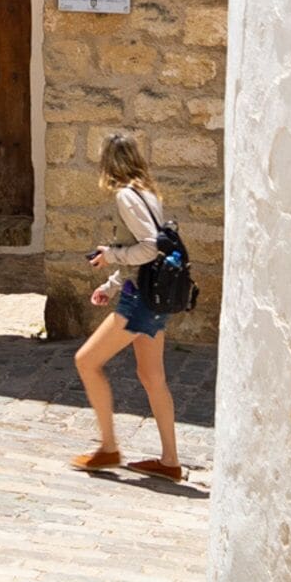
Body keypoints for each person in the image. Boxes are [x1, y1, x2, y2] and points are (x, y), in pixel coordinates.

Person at [70, 132, 185, 479]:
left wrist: (110, 255)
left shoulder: (126, 197)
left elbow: (148, 248)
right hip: (152, 295)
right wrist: (111, 283)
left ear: (109, 162)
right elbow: (147, 253)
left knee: (86, 361)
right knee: (152, 377)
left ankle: (108, 448)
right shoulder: (149, 195)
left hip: (141, 302)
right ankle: (169, 462)